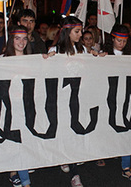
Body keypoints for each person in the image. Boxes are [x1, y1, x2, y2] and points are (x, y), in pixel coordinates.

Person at [47, 16, 87, 187]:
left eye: (81, 31)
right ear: (67, 32)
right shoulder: (55, 50)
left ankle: (68, 158)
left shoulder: (83, 49)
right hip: (61, 99)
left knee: (74, 129)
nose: (80, 34)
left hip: (78, 97)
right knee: (65, 130)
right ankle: (74, 172)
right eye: (77, 31)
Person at [102, 24, 131, 182]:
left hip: (124, 98)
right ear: (112, 38)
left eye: (124, 41)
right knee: (106, 129)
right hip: (108, 98)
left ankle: (126, 166)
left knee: (126, 131)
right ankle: (101, 153)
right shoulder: (105, 55)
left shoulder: (130, 55)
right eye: (118, 40)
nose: (121, 44)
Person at [1, 25, 32, 187]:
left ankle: (14, 171)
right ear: (11, 39)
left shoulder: (32, 60)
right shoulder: (2, 60)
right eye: (17, 38)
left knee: (23, 142)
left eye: (24, 38)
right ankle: (25, 180)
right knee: (16, 142)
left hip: (26, 106)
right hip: (10, 107)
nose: (21, 42)